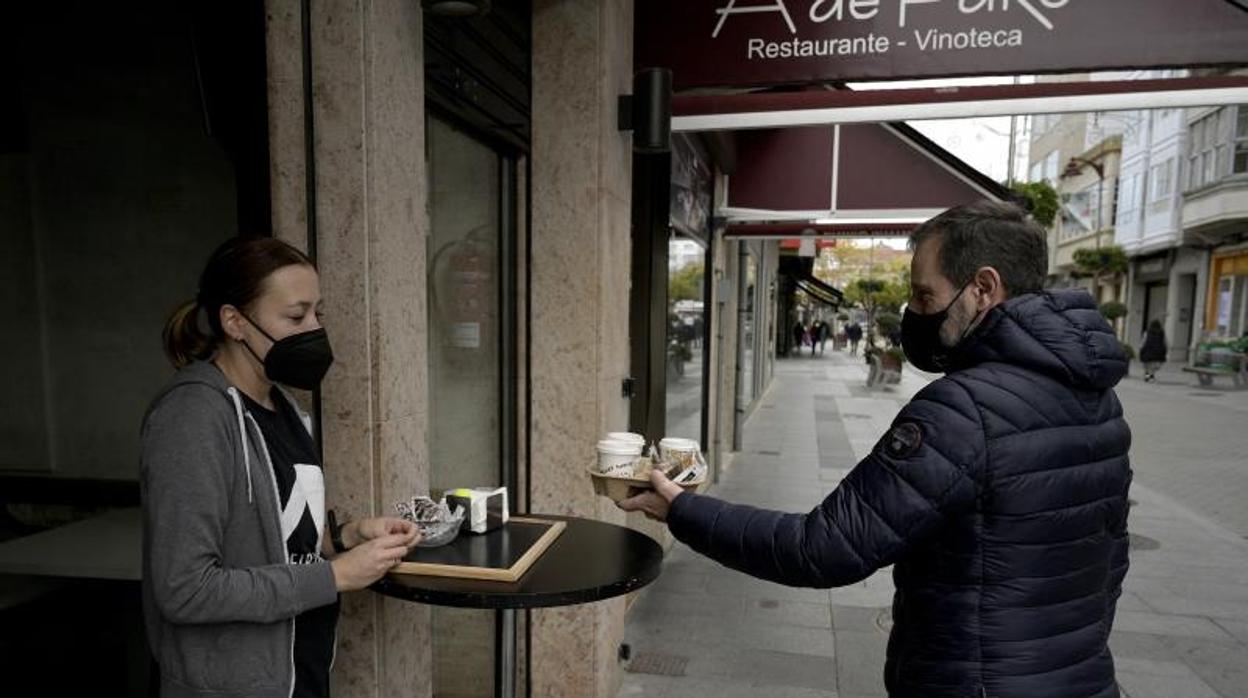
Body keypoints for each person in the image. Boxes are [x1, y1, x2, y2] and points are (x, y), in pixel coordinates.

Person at [621, 201, 1132, 698]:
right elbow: (1111, 559)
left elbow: (822, 548)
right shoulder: (1098, 398)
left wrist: (683, 509)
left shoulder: (964, 410)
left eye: (925, 296)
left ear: (983, 288)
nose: (914, 312)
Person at [142, 237, 421, 697]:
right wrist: (336, 575)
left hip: (299, 673)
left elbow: (279, 539)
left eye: (318, 314)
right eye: (295, 316)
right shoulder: (191, 419)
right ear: (234, 321)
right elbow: (185, 589)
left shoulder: (284, 407)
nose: (313, 330)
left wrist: (348, 538)